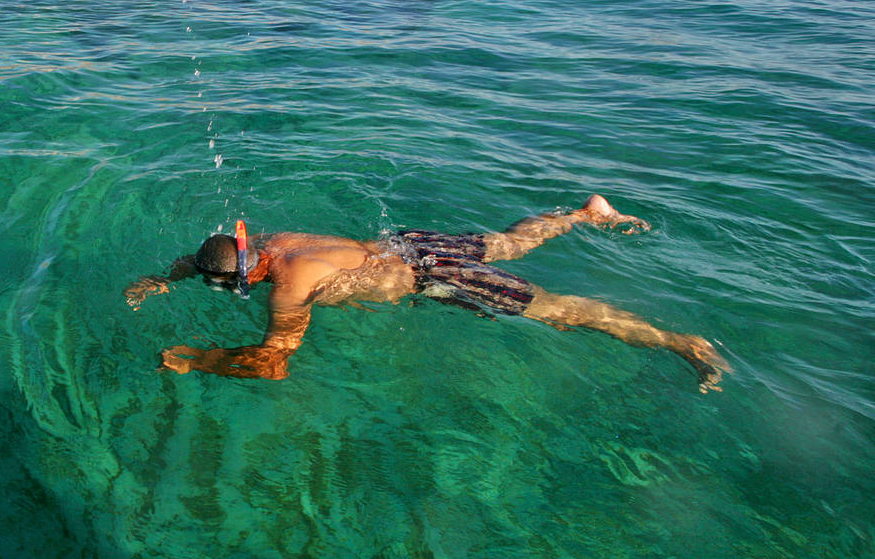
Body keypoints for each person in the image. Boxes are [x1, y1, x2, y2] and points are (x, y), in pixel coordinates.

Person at [125, 195, 730, 392]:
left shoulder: (287, 290)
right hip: (410, 246)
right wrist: (162, 277)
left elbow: (275, 364)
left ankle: (680, 341)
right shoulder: (273, 242)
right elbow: (203, 258)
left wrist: (197, 359)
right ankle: (583, 212)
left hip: (431, 280)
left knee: (558, 315)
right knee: (505, 243)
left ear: (241, 280)